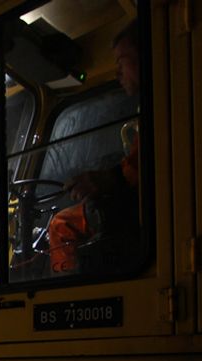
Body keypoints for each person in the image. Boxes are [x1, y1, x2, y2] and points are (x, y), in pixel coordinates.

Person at [48, 21, 140, 274]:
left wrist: (107, 178)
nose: (118, 73)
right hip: (135, 204)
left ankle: (66, 288)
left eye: (123, 62)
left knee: (60, 224)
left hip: (135, 211)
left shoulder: (167, 104)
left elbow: (135, 172)